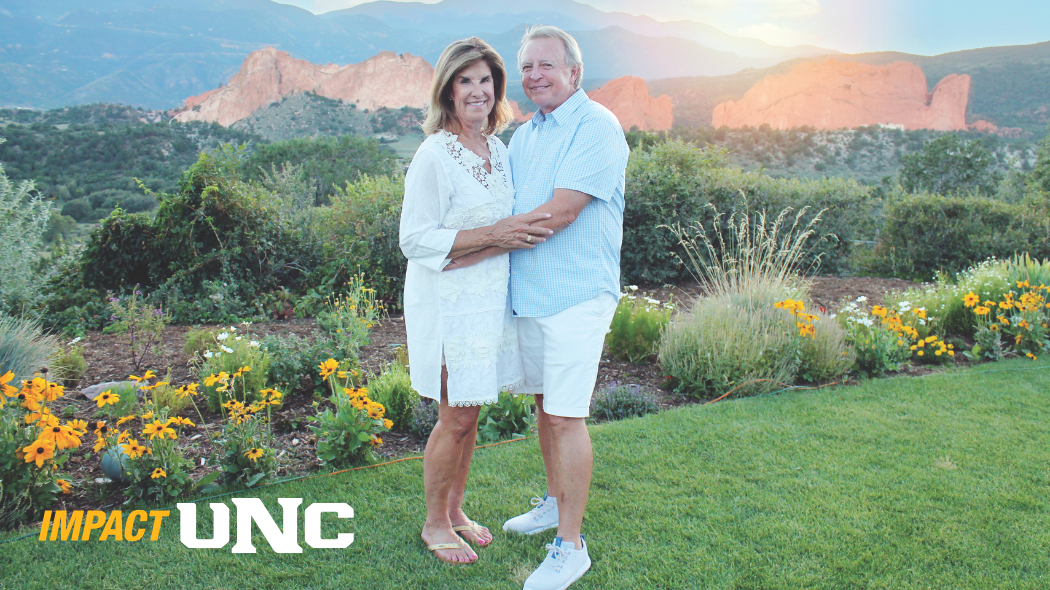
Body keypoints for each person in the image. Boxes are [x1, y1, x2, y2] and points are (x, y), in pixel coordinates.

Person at [399, 36, 554, 565]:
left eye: (485, 80)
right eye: (465, 80)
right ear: (447, 89)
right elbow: (415, 239)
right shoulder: (433, 155)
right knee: (455, 416)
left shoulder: (499, 150)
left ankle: (457, 509)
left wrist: (497, 238)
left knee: (470, 414)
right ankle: (434, 523)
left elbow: (506, 232)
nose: (477, 91)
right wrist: (495, 234)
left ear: (497, 88)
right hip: (448, 305)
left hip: (489, 301)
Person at [504, 24, 630, 590]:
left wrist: (484, 237)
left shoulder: (596, 125)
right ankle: (556, 502)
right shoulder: (526, 135)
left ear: (574, 73)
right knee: (543, 404)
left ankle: (570, 546)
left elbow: (562, 211)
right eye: (528, 66)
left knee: (565, 414)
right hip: (530, 291)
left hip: (578, 292)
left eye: (546, 66)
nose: (535, 76)